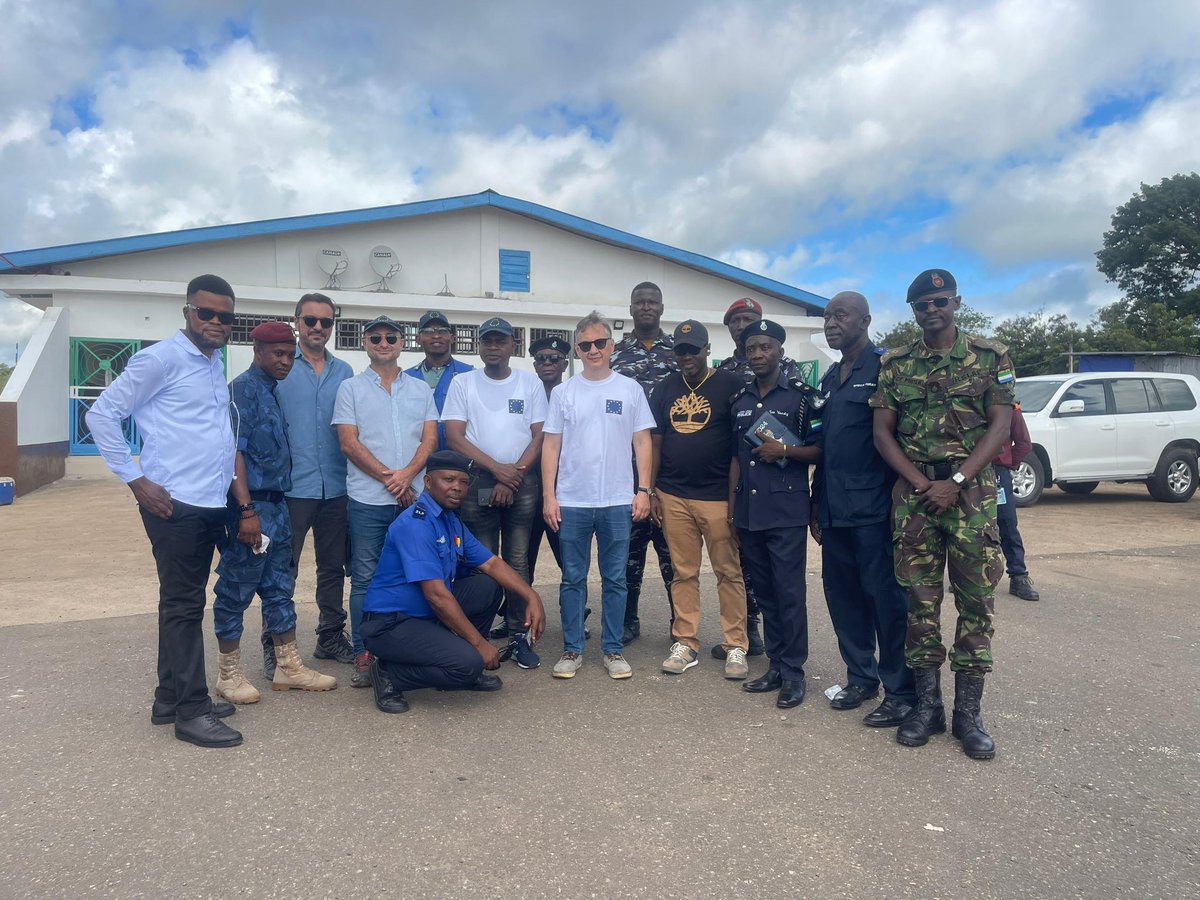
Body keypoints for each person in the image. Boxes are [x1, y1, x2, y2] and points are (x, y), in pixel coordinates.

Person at [85, 274, 242, 748]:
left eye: (225, 316)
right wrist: (136, 480)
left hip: (208, 500)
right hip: (174, 502)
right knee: (183, 607)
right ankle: (191, 714)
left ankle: (170, 697)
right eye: (206, 312)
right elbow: (101, 414)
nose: (215, 322)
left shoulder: (212, 362)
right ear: (187, 312)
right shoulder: (160, 358)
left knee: (181, 602)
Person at [870, 268, 1015, 760]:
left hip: (971, 493)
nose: (932, 310)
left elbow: (1000, 427)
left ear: (956, 302)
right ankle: (927, 707)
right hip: (915, 495)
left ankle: (967, 716)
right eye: (922, 305)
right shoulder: (896, 363)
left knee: (976, 600)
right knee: (919, 602)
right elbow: (882, 432)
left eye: (940, 302)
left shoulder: (991, 356)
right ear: (913, 311)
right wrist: (921, 482)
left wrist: (953, 482)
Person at [360, 451, 547, 714]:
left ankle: (464, 662)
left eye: (463, 481)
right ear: (427, 482)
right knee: (466, 664)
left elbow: (491, 564)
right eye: (448, 479)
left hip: (422, 615)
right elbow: (437, 596)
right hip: (390, 624)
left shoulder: (450, 520)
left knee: (487, 586)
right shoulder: (416, 524)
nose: (457, 488)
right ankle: (389, 674)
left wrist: (531, 596)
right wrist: (480, 645)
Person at [211, 322, 337, 704]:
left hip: (279, 504)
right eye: (277, 354)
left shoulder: (272, 390)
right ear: (258, 351)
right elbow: (233, 453)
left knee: (280, 588)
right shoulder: (242, 391)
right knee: (236, 589)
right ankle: (228, 675)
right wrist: (247, 510)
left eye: (289, 355)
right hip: (250, 507)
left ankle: (288, 665)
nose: (285, 362)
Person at [809, 292, 916, 728]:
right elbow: (826, 448)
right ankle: (860, 678)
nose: (832, 323)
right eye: (827, 316)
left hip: (875, 508)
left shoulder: (888, 369)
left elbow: (903, 439)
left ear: (865, 320)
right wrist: (816, 505)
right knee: (843, 598)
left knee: (886, 601)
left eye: (841, 315)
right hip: (834, 509)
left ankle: (901, 692)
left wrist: (900, 499)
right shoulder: (831, 377)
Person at [542, 311, 655, 680]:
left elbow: (642, 441)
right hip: (572, 501)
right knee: (572, 578)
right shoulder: (563, 393)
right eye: (585, 345)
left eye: (600, 343)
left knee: (615, 578)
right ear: (577, 349)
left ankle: (612, 650)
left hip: (617, 501)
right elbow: (551, 447)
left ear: (611, 345)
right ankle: (572, 649)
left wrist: (643, 491)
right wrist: (549, 495)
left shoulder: (629, 389)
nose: (593, 350)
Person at [334, 315, 439, 688]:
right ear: (365, 343)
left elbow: (429, 440)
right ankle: (365, 652)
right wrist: (392, 479)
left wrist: (407, 474)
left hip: (414, 499)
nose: (383, 342)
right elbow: (348, 442)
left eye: (390, 337)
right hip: (367, 500)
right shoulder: (350, 388)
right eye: (375, 337)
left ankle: (410, 646)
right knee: (364, 578)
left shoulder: (420, 389)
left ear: (401, 342)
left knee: (418, 574)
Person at [443, 316, 547, 667]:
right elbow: (455, 436)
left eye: (500, 341)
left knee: (518, 561)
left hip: (522, 481)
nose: (493, 346)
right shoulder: (463, 383)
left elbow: (540, 436)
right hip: (476, 483)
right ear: (479, 345)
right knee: (481, 561)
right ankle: (478, 636)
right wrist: (495, 470)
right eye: (487, 340)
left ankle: (519, 634)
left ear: (511, 346)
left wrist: (511, 474)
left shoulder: (529, 383)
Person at [730, 320, 823, 709]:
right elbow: (735, 457)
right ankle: (775, 666)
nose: (757, 354)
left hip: (785, 510)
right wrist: (732, 513)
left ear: (780, 352)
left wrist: (783, 452)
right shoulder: (739, 399)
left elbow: (822, 451)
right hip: (750, 512)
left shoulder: (803, 398)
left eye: (765, 347)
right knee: (765, 594)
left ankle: (794, 674)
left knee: (789, 594)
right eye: (751, 348)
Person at [650, 320, 750, 680]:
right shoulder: (664, 389)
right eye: (681, 350)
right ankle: (686, 642)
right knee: (683, 572)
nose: (687, 356)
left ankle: (736, 645)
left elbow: (742, 446)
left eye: (694, 349)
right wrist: (651, 491)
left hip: (717, 498)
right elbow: (656, 443)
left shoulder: (731, 385)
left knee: (728, 571)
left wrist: (736, 499)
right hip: (673, 494)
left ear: (708, 350)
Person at [274, 292, 356, 672]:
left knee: (332, 567)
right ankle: (276, 643)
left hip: (337, 487)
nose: (318, 328)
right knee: (281, 568)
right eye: (310, 320)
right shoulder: (279, 369)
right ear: (296, 322)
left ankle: (330, 636)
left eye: (326, 322)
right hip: (291, 489)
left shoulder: (345, 373)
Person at [608, 281, 676, 645]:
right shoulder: (614, 355)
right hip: (626, 469)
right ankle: (626, 620)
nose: (646, 307)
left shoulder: (677, 353)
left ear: (662, 308)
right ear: (631, 308)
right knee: (628, 554)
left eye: (652, 302)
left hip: (671, 468)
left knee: (672, 556)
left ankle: (680, 624)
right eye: (640, 302)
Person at [525, 335, 570, 585]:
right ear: (534, 365)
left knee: (568, 556)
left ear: (564, 364)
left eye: (554, 358)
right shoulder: (525, 395)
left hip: (564, 489)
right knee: (522, 556)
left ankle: (575, 614)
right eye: (541, 359)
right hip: (529, 485)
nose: (547, 363)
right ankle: (516, 616)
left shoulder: (574, 395)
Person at [405, 309, 473, 450]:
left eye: (442, 331)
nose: (436, 336)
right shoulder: (406, 378)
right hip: (417, 458)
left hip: (458, 460)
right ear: (418, 338)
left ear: (452, 337)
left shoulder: (469, 374)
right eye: (428, 331)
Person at [995, 405, 1040, 601]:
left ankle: (1018, 575)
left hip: (996, 473)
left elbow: (1023, 443)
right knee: (969, 526)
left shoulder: (1008, 406)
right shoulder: (964, 404)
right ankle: (967, 576)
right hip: (965, 474)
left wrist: (1006, 464)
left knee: (1006, 523)